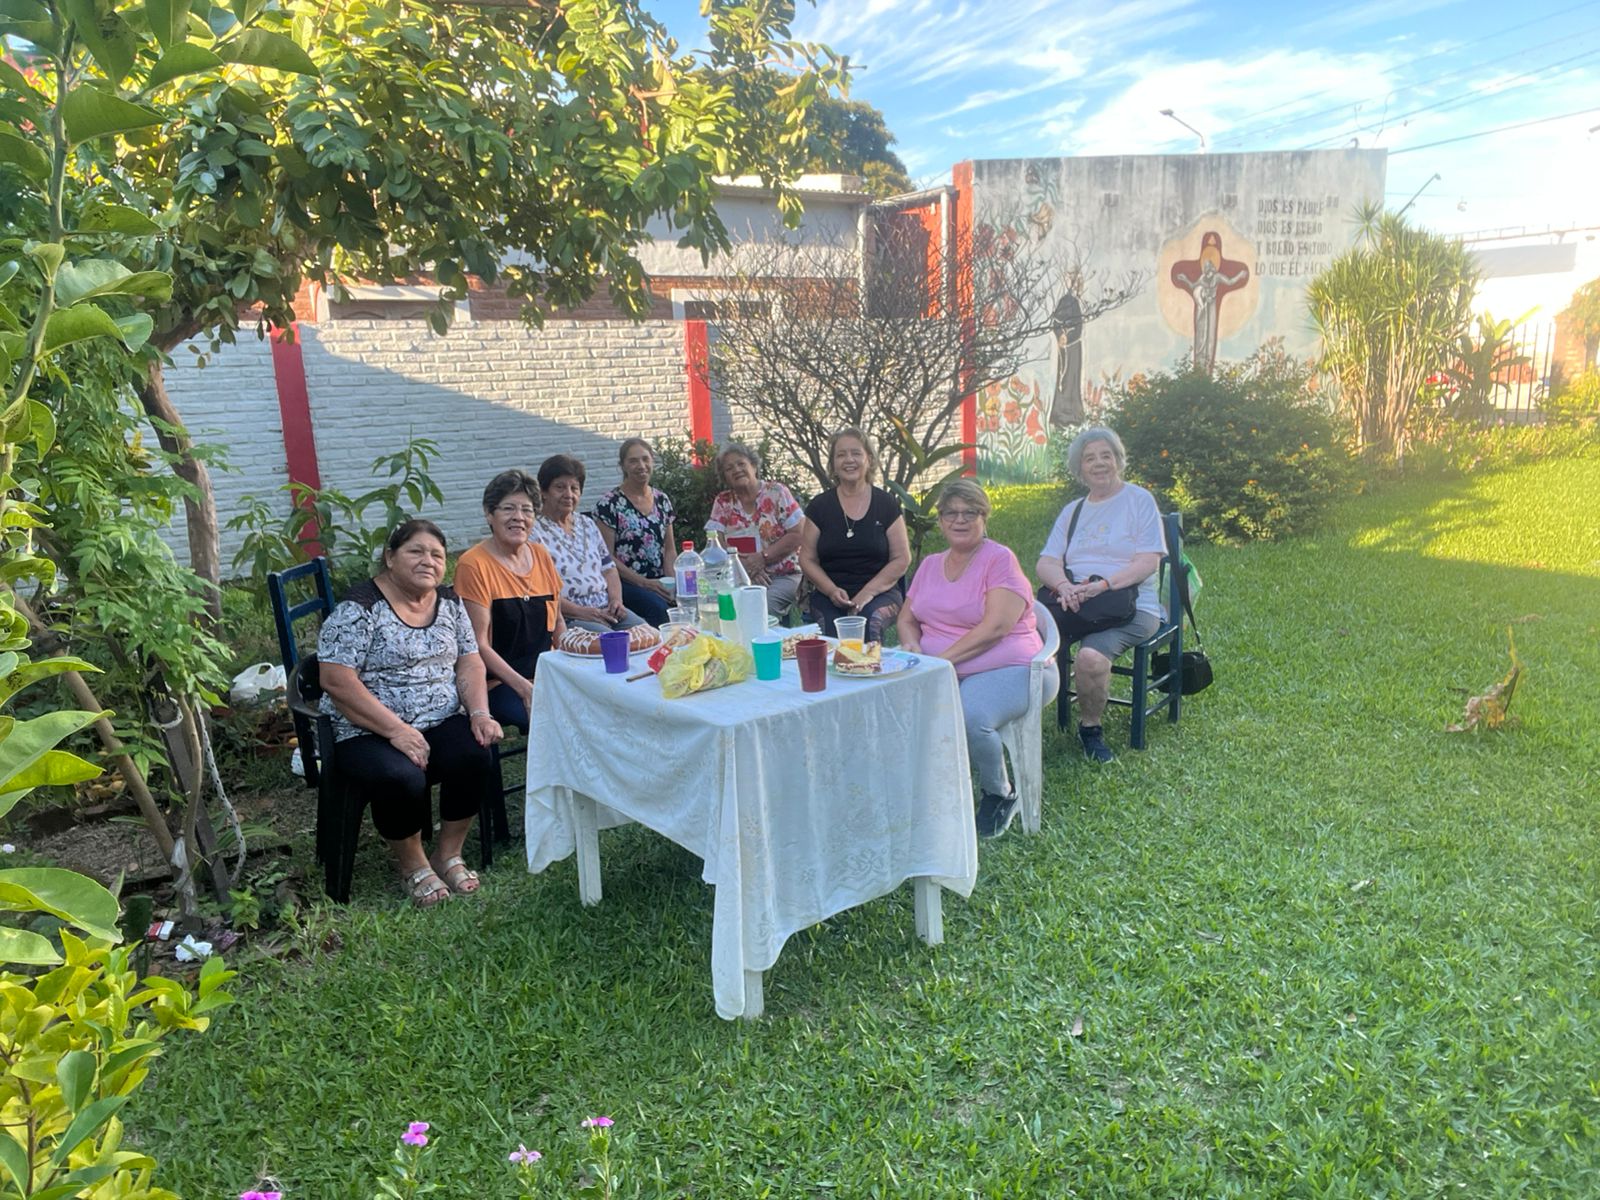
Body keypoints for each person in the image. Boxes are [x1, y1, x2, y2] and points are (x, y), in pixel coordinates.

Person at [316, 519, 504, 908]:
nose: (428, 561)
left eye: (436, 554)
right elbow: (336, 680)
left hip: (438, 715)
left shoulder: (449, 602)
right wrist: (396, 730)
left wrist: (479, 713)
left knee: (475, 752)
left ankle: (447, 853)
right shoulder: (359, 608)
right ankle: (412, 864)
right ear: (390, 557)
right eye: (415, 551)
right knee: (400, 774)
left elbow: (469, 660)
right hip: (367, 726)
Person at [899, 481, 1056, 839]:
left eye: (970, 512)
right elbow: (907, 618)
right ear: (939, 521)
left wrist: (939, 663)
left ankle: (1000, 792)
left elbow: (996, 628)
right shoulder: (930, 565)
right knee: (888, 698)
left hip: (1015, 669)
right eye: (950, 513)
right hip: (945, 668)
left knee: (969, 715)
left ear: (984, 517)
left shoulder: (999, 560)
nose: (959, 520)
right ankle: (925, 792)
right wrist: (911, 645)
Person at [1036, 426, 1166, 764]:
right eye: (1090, 458)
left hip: (1131, 605)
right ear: (1080, 469)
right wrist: (1064, 586)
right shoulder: (1073, 511)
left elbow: (1148, 562)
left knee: (1090, 658)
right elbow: (1047, 561)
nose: (1099, 463)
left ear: (1118, 460)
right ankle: (1023, 716)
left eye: (1106, 455)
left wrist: (1103, 585)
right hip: (1078, 601)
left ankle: (1090, 729)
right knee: (1024, 633)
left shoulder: (1139, 500)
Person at [453, 470, 566, 733]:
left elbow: (558, 621)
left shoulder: (541, 555)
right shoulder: (474, 565)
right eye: (508, 508)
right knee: (555, 723)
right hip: (498, 683)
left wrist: (571, 665)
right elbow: (478, 644)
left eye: (527, 510)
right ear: (489, 514)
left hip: (545, 673)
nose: (519, 517)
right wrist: (524, 687)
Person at [798, 426, 910, 641]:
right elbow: (807, 558)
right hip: (829, 594)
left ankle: (873, 673)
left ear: (868, 459)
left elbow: (902, 558)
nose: (849, 460)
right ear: (833, 464)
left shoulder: (886, 503)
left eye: (856, 453)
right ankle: (833, 675)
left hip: (880, 592)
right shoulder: (820, 506)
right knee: (831, 634)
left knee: (868, 624)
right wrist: (831, 591)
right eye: (841, 455)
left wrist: (867, 593)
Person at [533, 453, 647, 634]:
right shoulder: (533, 533)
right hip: (570, 617)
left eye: (574, 488)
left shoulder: (587, 524)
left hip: (607, 609)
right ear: (543, 492)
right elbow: (540, 592)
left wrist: (616, 600)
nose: (568, 494)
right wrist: (583, 612)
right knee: (613, 645)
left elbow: (609, 569)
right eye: (560, 487)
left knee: (649, 635)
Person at [704, 442, 805, 621]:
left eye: (741, 464)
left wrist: (762, 558)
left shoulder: (776, 492)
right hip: (740, 576)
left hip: (782, 576)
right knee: (718, 607)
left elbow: (798, 533)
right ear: (725, 476)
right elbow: (715, 543)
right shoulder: (723, 502)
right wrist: (745, 567)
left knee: (760, 609)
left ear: (754, 466)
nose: (736, 470)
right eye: (729, 468)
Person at [594, 438, 678, 627]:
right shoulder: (609, 504)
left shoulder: (662, 500)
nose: (641, 466)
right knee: (657, 607)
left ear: (652, 461)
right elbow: (606, 556)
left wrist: (672, 583)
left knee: (686, 600)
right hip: (626, 582)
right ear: (622, 466)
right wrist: (645, 583)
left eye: (645, 459)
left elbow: (670, 550)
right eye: (633, 461)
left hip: (658, 581)